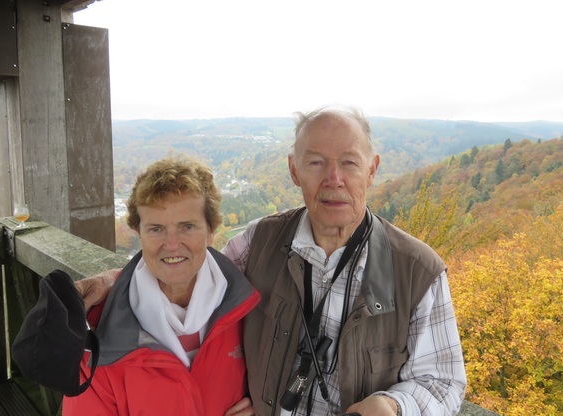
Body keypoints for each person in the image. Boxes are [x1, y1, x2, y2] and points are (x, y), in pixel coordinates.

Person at [79, 107, 467, 415]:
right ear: (294, 170)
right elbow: (188, 267)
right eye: (316, 162)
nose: (334, 178)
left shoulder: (418, 271)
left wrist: (395, 406)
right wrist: (122, 280)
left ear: (373, 169)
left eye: (349, 162)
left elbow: (444, 381)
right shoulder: (260, 241)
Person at [67, 155, 260, 415]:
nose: (171, 244)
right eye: (156, 229)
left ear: (211, 231)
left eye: (187, 226)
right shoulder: (102, 341)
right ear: (139, 235)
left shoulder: (248, 312)